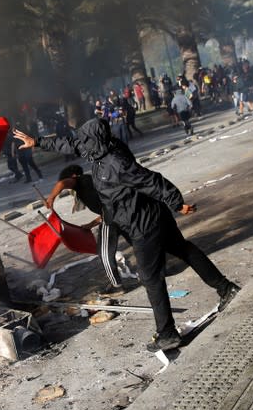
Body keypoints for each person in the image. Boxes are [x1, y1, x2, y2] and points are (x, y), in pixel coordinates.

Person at [13, 118, 240, 352]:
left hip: (143, 222)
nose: (81, 144)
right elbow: (69, 144)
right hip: (143, 215)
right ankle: (226, 289)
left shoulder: (116, 162)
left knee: (150, 277)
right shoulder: (100, 149)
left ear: (95, 141)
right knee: (183, 249)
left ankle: (168, 333)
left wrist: (177, 202)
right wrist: (37, 141)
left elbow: (151, 180)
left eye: (86, 140)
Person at [45, 164, 138, 288]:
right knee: (137, 242)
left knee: (104, 252)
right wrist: (91, 224)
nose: (69, 190)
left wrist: (51, 198)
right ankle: (155, 267)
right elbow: (103, 210)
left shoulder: (82, 180)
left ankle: (117, 286)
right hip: (121, 213)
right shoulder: (90, 183)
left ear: (73, 176)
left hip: (113, 217)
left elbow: (61, 183)